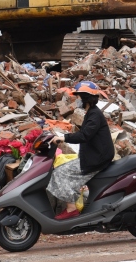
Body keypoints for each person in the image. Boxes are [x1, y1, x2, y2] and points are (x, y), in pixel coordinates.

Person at [47, 81, 115, 220]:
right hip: (93, 155)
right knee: (62, 170)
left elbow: (85, 135)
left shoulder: (94, 114)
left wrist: (63, 138)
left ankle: (71, 208)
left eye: (78, 97)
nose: (76, 100)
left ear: (85, 98)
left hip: (96, 159)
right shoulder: (92, 113)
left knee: (59, 173)